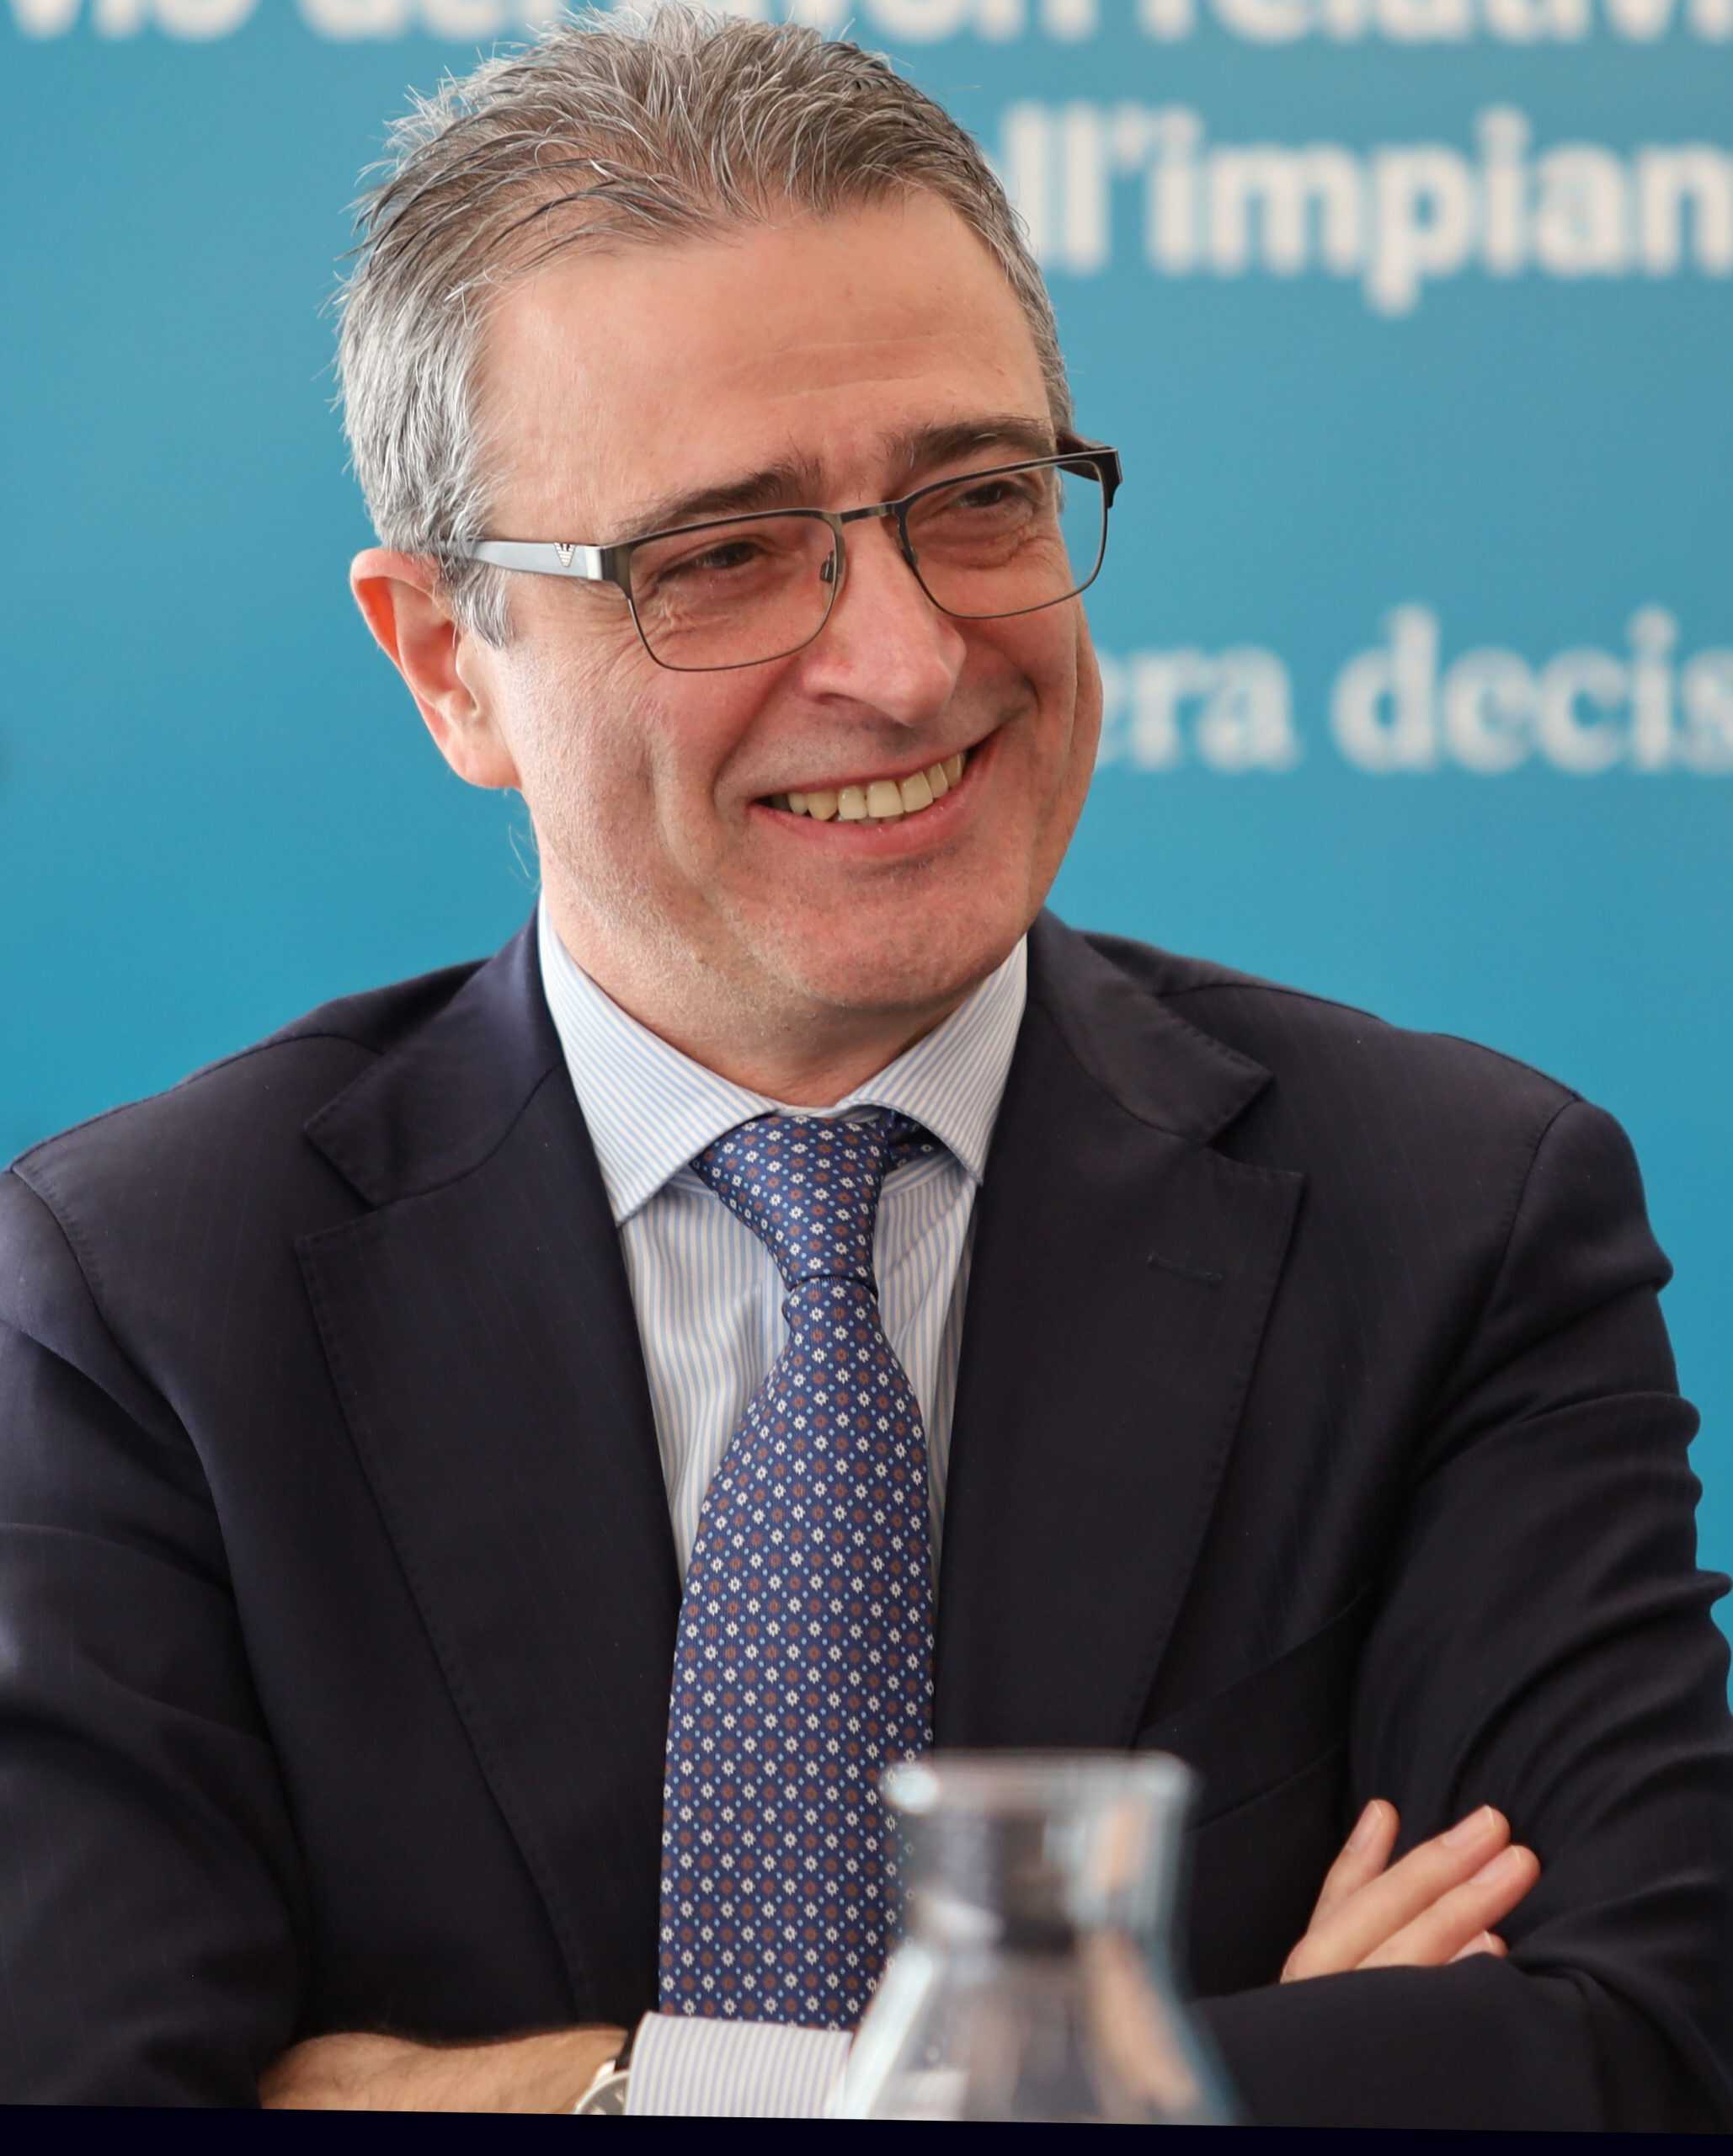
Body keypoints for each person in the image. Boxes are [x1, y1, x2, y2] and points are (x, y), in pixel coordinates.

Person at [1, 3, 1729, 2125]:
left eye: (977, 500)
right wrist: (1192, 2064)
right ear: (451, 660)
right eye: (720, 556)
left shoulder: (1454, 1216)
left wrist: (601, 2091)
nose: (908, 661)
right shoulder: (144, 1295)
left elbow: (1636, 2054)